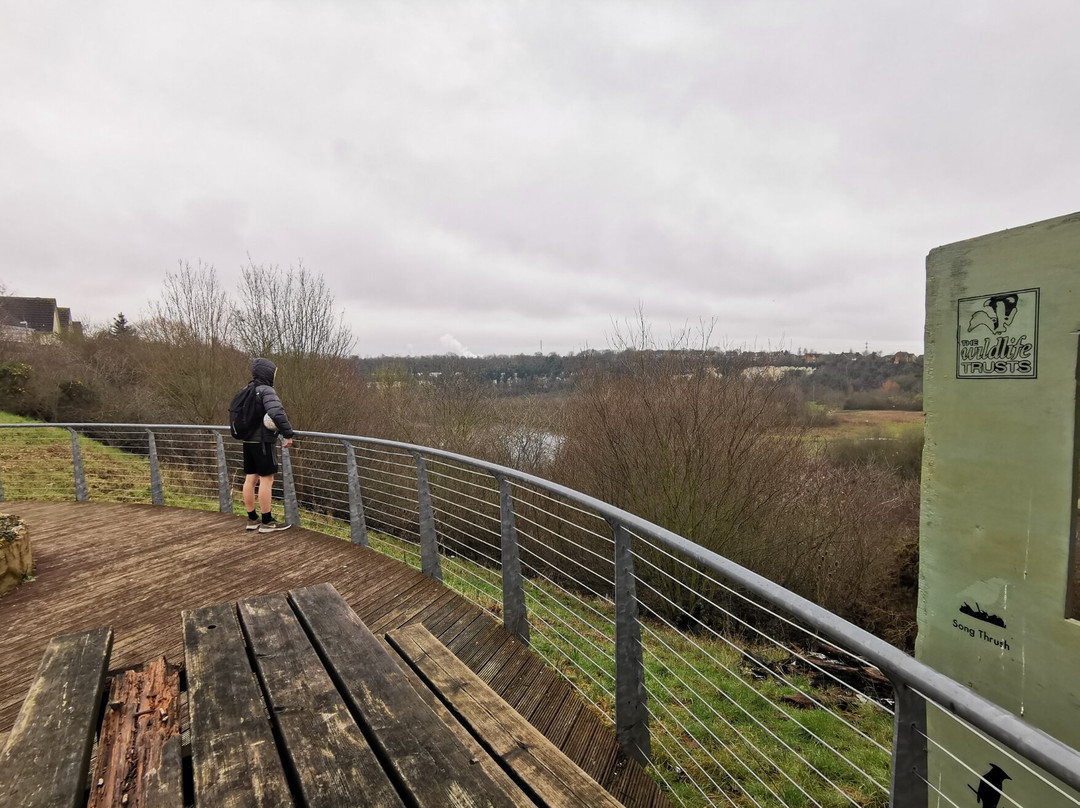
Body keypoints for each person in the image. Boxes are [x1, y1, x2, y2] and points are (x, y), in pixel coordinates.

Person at [242, 357, 295, 533]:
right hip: (263, 441)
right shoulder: (266, 390)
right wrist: (287, 434)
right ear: (268, 373)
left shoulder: (247, 390)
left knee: (250, 479)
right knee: (267, 479)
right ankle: (267, 522)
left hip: (248, 440)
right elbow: (276, 412)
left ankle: (252, 519)